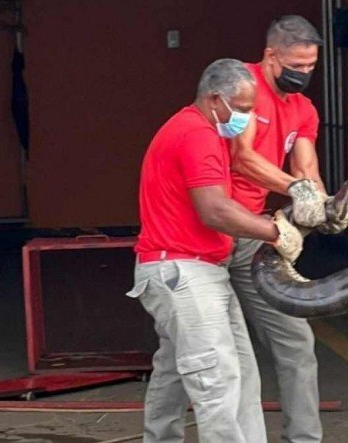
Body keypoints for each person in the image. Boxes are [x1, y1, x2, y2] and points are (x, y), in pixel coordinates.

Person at [127, 58, 304, 443]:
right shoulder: (198, 135)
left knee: (194, 372)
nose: (246, 118)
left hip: (191, 270)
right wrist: (276, 232)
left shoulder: (193, 128)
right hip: (185, 273)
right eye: (240, 110)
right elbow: (215, 210)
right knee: (218, 380)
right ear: (214, 99)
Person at [226, 15, 339, 443]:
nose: (304, 74)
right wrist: (298, 190)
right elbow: (243, 158)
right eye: (297, 65)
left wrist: (323, 204)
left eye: (311, 67)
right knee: (204, 354)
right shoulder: (243, 88)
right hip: (212, 232)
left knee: (297, 343)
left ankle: (304, 439)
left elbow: (306, 167)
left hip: (256, 235)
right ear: (271, 56)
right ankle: (161, 434)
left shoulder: (303, 108)